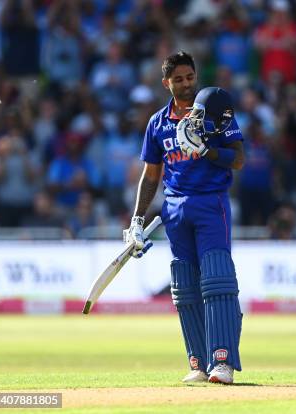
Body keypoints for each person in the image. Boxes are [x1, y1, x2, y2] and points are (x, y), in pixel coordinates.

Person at [124, 51, 245, 385]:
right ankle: (199, 362)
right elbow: (150, 177)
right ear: (167, 83)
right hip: (174, 209)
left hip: (210, 203)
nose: (187, 84)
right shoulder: (157, 123)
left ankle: (223, 361)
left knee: (217, 280)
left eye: (190, 77)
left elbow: (238, 159)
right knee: (185, 287)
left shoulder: (215, 111)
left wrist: (207, 150)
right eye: (179, 79)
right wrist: (136, 221)